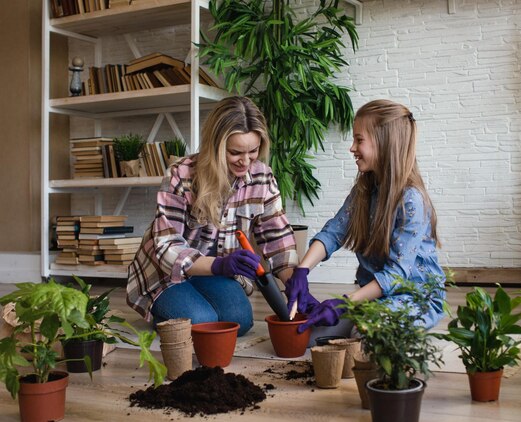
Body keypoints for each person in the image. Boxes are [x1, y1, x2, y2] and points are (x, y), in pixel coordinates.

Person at [126, 96, 298, 336]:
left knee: (238, 322)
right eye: (235, 152)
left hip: (216, 273)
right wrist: (220, 264)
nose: (246, 161)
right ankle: (165, 312)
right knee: (202, 323)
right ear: (215, 145)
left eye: (254, 151)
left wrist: (293, 281)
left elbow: (277, 238)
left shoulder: (262, 177)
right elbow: (167, 246)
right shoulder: (182, 174)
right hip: (167, 274)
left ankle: (192, 303)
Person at [285, 99, 446, 341]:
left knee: (364, 335)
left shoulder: (411, 200)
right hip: (375, 296)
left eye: (359, 140)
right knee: (309, 335)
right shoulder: (365, 189)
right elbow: (334, 232)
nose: (352, 148)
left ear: (384, 143)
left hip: (415, 297)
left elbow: (397, 274)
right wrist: (302, 270)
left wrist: (344, 303)